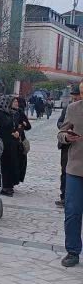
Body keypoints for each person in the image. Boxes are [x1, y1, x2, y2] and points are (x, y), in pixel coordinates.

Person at [57, 85, 83, 267]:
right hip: (75, 168)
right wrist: (66, 137)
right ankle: (72, 251)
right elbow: (60, 133)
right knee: (72, 211)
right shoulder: (73, 108)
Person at [0, 96, 20, 196]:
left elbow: (15, 126)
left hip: (12, 143)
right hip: (2, 142)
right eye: (11, 102)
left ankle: (9, 185)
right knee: (3, 165)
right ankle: (4, 186)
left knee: (11, 164)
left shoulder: (11, 113)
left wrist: (16, 132)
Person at [56, 86, 81, 208]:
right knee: (65, 171)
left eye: (77, 94)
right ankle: (64, 196)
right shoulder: (69, 108)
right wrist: (67, 133)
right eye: (74, 95)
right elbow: (60, 125)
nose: (75, 97)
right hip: (69, 146)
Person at [12, 97, 31, 185]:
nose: (16, 103)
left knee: (21, 161)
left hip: (20, 140)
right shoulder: (4, 113)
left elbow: (28, 126)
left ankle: (17, 179)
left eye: (16, 102)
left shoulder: (20, 112)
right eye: (14, 102)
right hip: (10, 141)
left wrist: (23, 124)